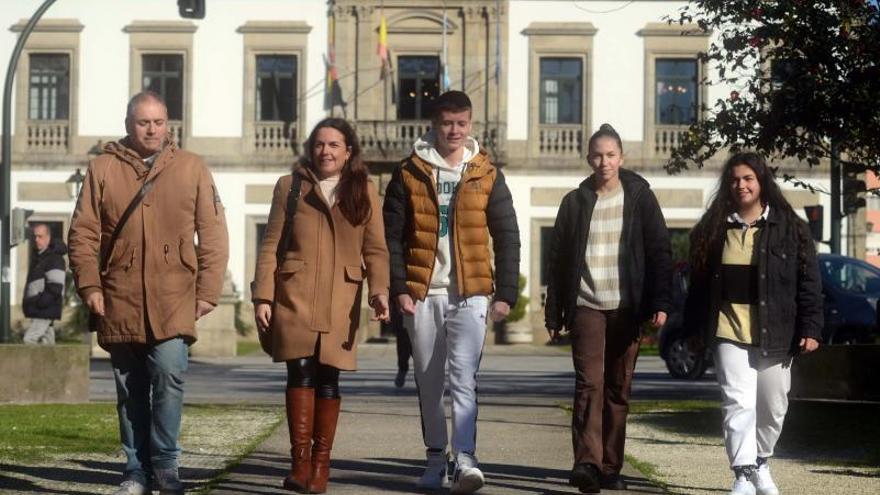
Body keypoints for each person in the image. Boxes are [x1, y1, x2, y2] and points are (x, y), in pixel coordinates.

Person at [68, 91, 229, 495]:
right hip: (119, 295)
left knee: (169, 373)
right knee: (130, 388)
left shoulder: (192, 167)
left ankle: (166, 464)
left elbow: (213, 233)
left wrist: (208, 290)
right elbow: (83, 234)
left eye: (159, 121)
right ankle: (135, 469)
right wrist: (90, 285)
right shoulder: (102, 168)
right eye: (144, 122)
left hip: (175, 294)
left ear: (168, 123)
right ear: (128, 124)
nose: (152, 129)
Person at [383, 90, 521, 494]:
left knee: (464, 378)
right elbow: (391, 237)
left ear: (471, 124)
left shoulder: (487, 173)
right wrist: (399, 289)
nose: (455, 131)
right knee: (428, 380)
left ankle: (465, 459)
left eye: (462, 123)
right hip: (423, 292)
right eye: (447, 124)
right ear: (434, 124)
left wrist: (505, 292)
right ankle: (433, 459)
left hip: (471, 293)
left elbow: (508, 235)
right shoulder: (408, 172)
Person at [251, 117, 390, 494]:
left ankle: (321, 467)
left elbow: (375, 248)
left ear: (348, 152)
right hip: (294, 293)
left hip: (340, 297)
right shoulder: (290, 186)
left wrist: (380, 290)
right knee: (299, 371)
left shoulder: (365, 190)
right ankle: (300, 465)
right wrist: (262, 295)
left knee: (329, 376)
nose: (325, 151)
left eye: (333, 145)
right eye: (319, 144)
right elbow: (270, 244)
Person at [545, 124, 673, 493]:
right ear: (589, 158)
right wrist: (554, 312)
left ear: (622, 157)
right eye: (598, 155)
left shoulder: (640, 197)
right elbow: (558, 261)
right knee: (589, 385)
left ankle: (611, 467)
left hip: (627, 306)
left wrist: (660, 301)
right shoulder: (575, 201)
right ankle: (587, 464)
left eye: (611, 155)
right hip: (587, 303)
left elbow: (660, 252)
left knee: (618, 388)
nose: (604, 162)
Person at [684, 152, 822, 495]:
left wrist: (811, 328)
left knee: (774, 405)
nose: (741, 185)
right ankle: (743, 474)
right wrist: (692, 330)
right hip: (728, 330)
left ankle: (761, 460)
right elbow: (698, 286)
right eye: (734, 180)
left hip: (777, 332)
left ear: (761, 182)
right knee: (738, 401)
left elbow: (810, 283)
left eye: (748, 178)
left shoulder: (791, 229)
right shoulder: (713, 230)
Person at [22, 223, 67, 345]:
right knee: (48, 343)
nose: (36, 240)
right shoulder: (40, 257)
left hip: (44, 310)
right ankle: (53, 364)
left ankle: (30, 365)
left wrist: (40, 304)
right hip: (42, 309)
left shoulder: (54, 259)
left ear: (48, 237)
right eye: (34, 236)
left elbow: (56, 287)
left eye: (40, 236)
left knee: (29, 339)